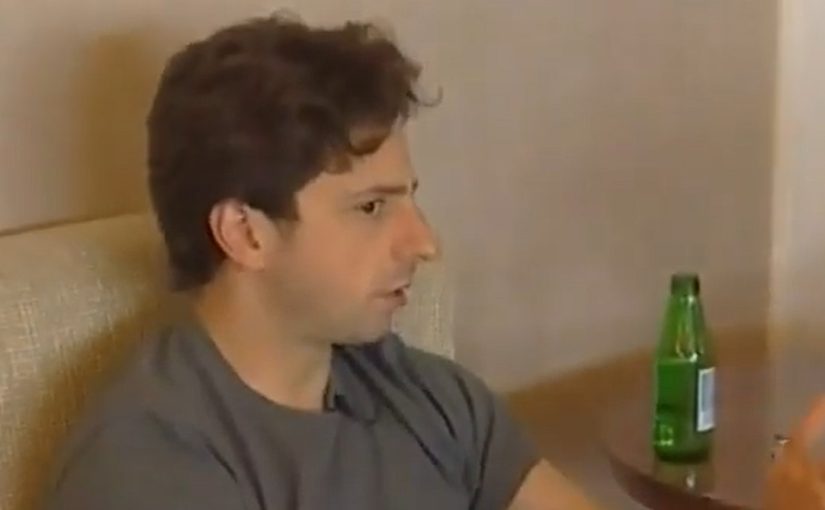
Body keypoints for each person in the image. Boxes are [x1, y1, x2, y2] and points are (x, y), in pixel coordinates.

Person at [42, 14, 601, 510]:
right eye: (371, 207)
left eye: (410, 200)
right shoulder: (147, 466)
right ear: (245, 234)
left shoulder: (427, 396)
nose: (425, 243)